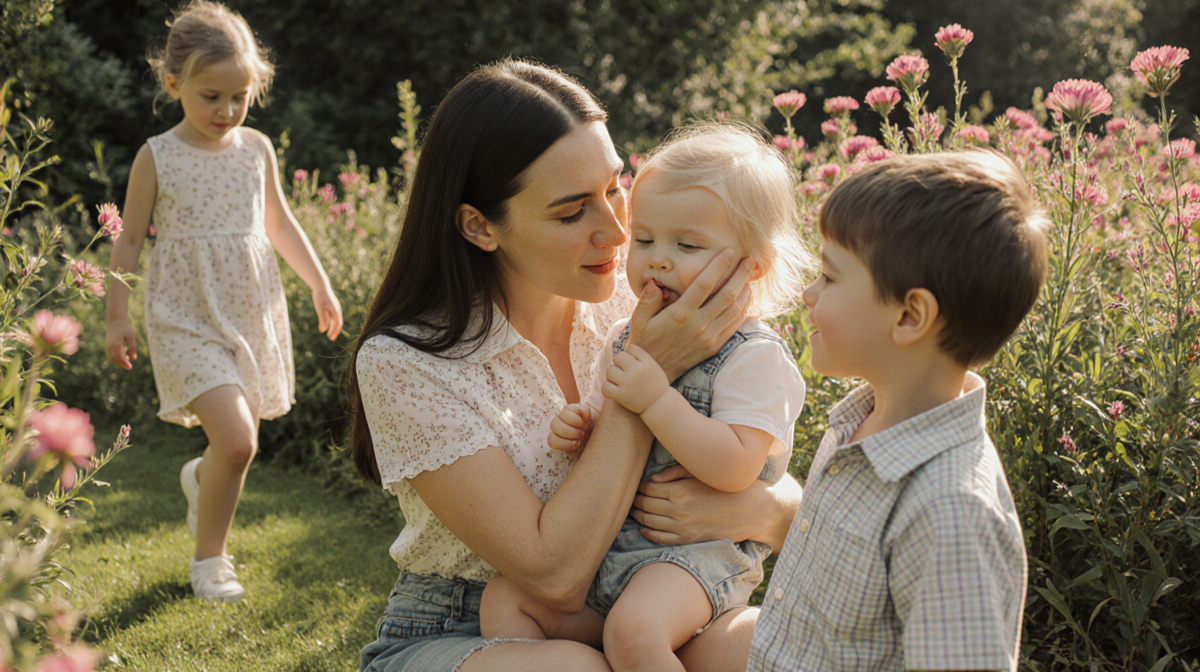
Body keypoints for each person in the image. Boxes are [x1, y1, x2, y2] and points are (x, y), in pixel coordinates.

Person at [351, 60, 801, 672]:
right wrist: (647, 372)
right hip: (470, 624)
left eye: (615, 188)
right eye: (572, 212)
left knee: (782, 646)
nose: (618, 233)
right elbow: (554, 576)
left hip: (640, 598)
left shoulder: (643, 292)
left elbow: (766, 456)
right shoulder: (407, 361)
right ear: (480, 226)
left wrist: (762, 510)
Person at [478, 124, 811, 672]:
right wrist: (586, 427)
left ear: (752, 266)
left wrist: (656, 396)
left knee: (634, 632)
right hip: (610, 551)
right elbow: (612, 425)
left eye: (687, 245)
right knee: (507, 599)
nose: (657, 259)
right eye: (646, 240)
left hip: (691, 560)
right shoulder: (624, 335)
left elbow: (735, 466)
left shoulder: (755, 358)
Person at [748, 151, 1047, 672]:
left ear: (910, 316)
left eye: (830, 277)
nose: (809, 293)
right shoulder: (858, 424)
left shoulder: (950, 510)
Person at [104, 0, 343, 603]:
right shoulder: (158, 156)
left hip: (247, 314)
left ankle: (201, 476)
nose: (227, 110)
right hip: (183, 317)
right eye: (211, 96)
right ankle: (210, 561)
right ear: (173, 85)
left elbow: (280, 224)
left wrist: (319, 283)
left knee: (232, 445)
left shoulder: (256, 149)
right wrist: (116, 316)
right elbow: (128, 239)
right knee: (238, 442)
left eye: (240, 96)